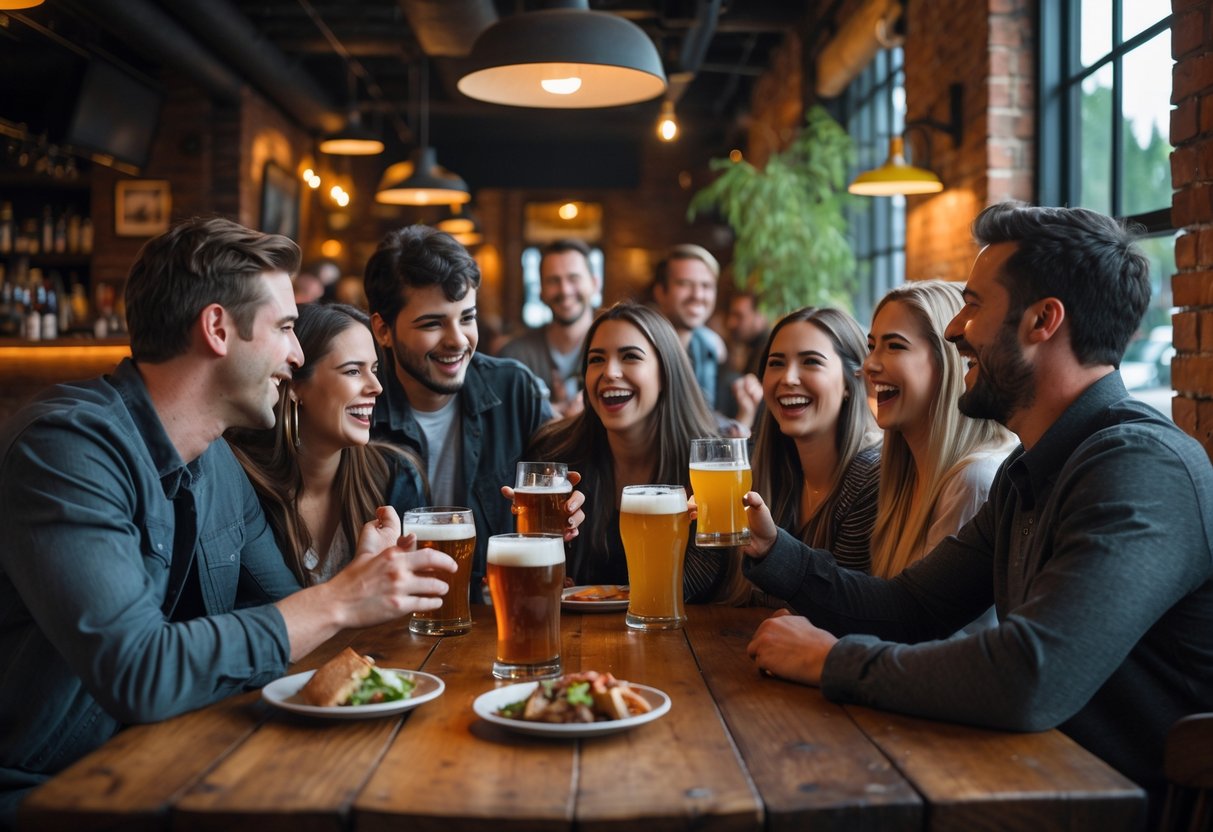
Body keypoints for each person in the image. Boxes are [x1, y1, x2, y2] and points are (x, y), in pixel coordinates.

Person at [744, 203, 1213, 815]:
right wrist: (772, 551)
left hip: (1122, 810)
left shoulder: (1140, 467)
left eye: (973, 305)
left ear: (1043, 320)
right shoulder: (1029, 470)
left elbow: (1031, 675)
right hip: (1033, 786)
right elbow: (912, 609)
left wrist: (833, 660)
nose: (956, 329)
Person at [0, 217, 457, 824]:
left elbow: (291, 629)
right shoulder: (66, 449)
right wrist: (340, 600)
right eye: (288, 328)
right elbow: (138, 671)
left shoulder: (215, 461)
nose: (296, 356)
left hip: (163, 766)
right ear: (217, 328)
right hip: (45, 794)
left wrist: (357, 579)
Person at [364, 225, 576, 601]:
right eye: (432, 323)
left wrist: (572, 510)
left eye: (467, 317)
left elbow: (567, 488)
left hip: (493, 620)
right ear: (383, 329)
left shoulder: (514, 389)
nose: (458, 340)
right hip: (393, 625)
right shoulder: (361, 407)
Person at [524, 302, 735, 603]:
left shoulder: (710, 466)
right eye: (596, 359)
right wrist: (547, 545)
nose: (610, 372)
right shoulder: (555, 455)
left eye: (630, 357)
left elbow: (705, 583)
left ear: (666, 373)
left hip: (685, 638)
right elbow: (538, 582)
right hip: (578, 638)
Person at [228, 303, 427, 585]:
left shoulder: (395, 474)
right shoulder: (242, 481)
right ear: (294, 385)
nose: (376, 386)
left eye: (374, 369)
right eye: (353, 372)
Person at [864, 280, 1015, 579]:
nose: (869, 364)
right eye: (872, 347)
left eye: (894, 346)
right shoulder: (905, 475)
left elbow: (924, 622)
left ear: (948, 364)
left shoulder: (973, 481)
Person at [747, 306, 881, 574]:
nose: (788, 378)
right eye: (776, 363)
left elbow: (842, 602)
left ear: (850, 381)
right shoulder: (764, 467)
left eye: (811, 361)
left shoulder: (871, 475)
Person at [499, 239, 599, 419]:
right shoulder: (514, 356)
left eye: (573, 279)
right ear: (541, 291)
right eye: (553, 281)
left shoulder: (614, 352)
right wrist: (544, 415)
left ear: (594, 283)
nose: (565, 290)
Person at [650, 244, 745, 433]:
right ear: (661, 292)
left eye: (706, 286)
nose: (698, 295)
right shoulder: (642, 347)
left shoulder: (710, 348)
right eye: (684, 284)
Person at [724, 289, 769, 378]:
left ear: (759, 315)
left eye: (739, 316)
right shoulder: (749, 346)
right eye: (731, 315)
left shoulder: (769, 350)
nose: (730, 323)